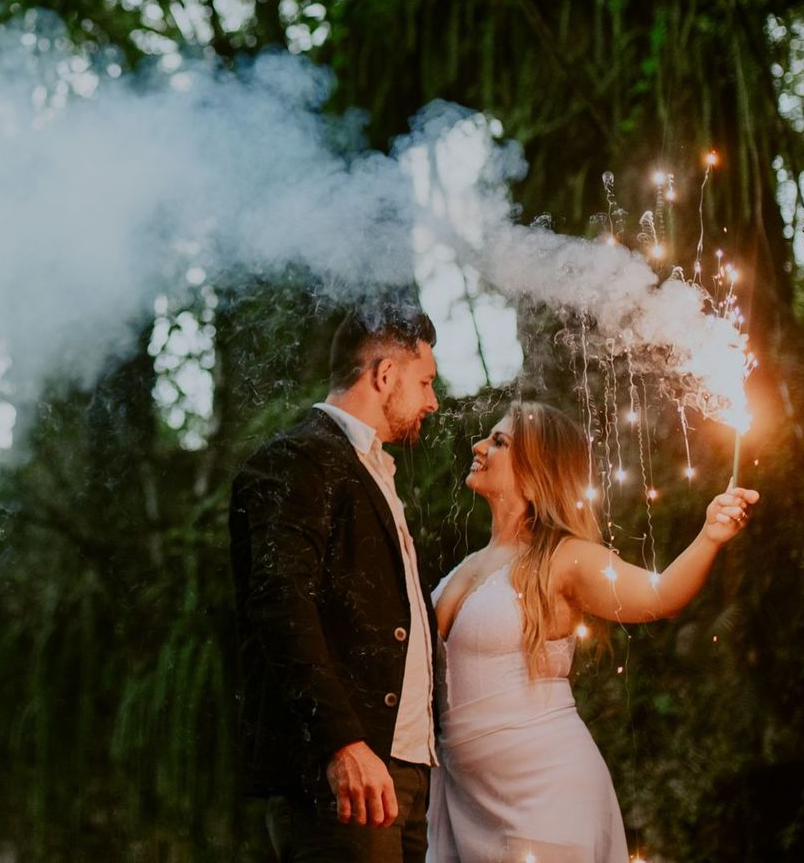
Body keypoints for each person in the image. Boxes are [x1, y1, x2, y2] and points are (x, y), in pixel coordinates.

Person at [426, 401, 759, 863]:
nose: (479, 446)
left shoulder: (565, 557)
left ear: (538, 468)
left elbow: (658, 596)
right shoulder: (466, 565)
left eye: (499, 441)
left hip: (545, 796)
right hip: (464, 797)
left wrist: (709, 536)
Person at [230, 300, 443, 862]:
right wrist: (342, 743)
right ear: (384, 374)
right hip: (347, 778)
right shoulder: (299, 457)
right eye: (425, 382)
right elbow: (280, 603)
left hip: (404, 771)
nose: (433, 401)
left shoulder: (375, 467)